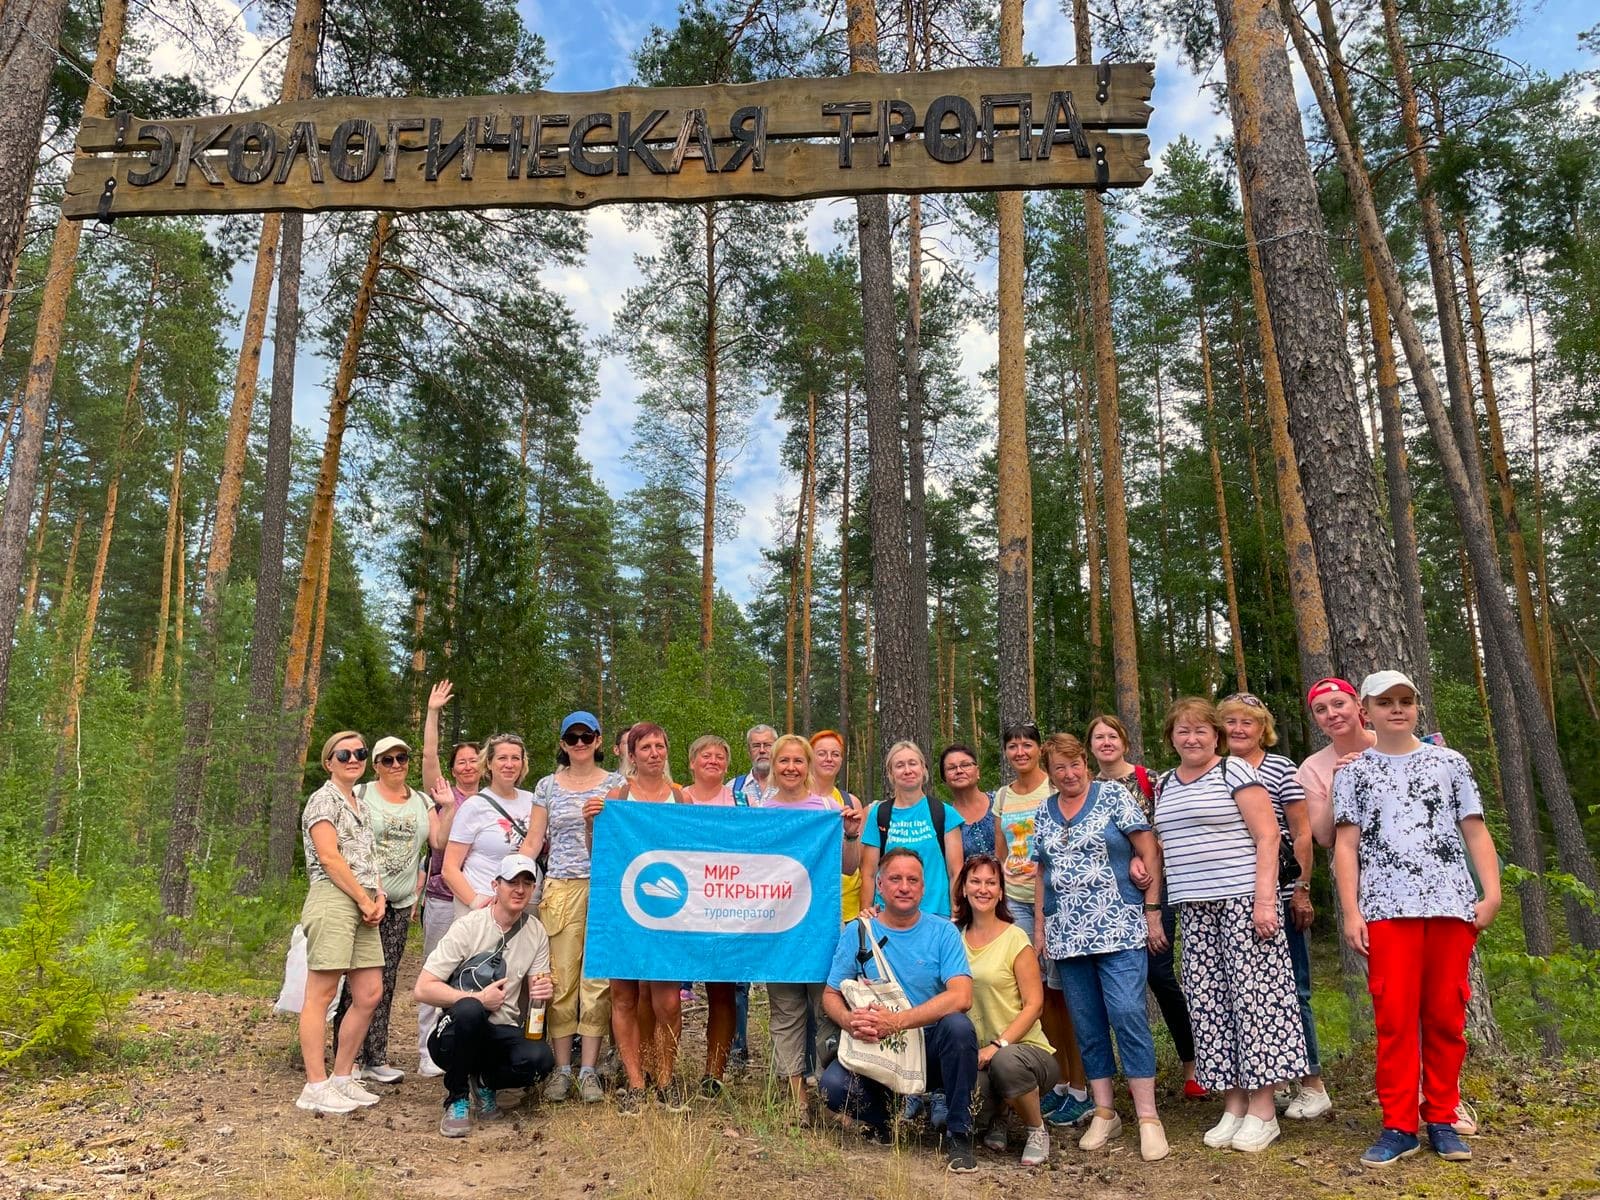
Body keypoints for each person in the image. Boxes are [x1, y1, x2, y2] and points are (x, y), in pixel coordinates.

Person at [1334, 671, 1501, 1168]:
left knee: (1446, 1016)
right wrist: (1351, 911)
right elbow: (1345, 843)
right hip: (1386, 909)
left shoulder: (1449, 762)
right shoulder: (1355, 772)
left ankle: (1443, 1119)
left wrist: (1490, 893)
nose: (1397, 709)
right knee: (1395, 1018)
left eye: (1406, 701)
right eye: (1386, 702)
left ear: (1417, 706)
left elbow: (1474, 830)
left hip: (1451, 906)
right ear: (1367, 710)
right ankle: (1399, 1124)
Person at [1152, 697, 1308, 1153]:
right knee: (1210, 1005)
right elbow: (1163, 846)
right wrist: (1154, 899)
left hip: (1244, 901)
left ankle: (1264, 1111)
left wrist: (1265, 900)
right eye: (1183, 731)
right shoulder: (1165, 784)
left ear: (1215, 736)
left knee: (1257, 1003)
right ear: (1172, 738)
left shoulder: (1234, 771)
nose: (1192, 738)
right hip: (1194, 906)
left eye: (1201, 730)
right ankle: (1234, 1105)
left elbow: (1268, 834)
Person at [1032, 733, 1169, 1161]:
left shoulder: (1113, 796)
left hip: (1119, 925)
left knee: (1127, 1012)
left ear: (1086, 766)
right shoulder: (1044, 811)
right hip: (1066, 933)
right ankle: (1105, 1111)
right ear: (1050, 774)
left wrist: (1151, 910)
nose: (1069, 774)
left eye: (1075, 765)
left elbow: (1148, 849)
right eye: (1060, 768)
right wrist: (1040, 926)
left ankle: (1148, 1117)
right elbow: (1042, 872)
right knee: (1087, 1023)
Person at [820, 848, 980, 1173]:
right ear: (880, 885)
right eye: (895, 879)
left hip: (929, 1047)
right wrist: (849, 1021)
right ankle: (888, 1121)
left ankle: (959, 1133)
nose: (903, 887)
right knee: (832, 1086)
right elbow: (830, 994)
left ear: (923, 888)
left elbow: (962, 996)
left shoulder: (943, 932)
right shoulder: (859, 933)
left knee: (959, 1027)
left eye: (912, 880)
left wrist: (898, 1021)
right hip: (881, 1052)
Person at [1219, 692, 1329, 1120]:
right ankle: (1275, 1080)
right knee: (1251, 995)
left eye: (1248, 722)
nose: (1239, 729)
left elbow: (1301, 833)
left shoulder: (1279, 768)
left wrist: (1301, 888)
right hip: (1234, 896)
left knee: (1293, 989)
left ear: (1263, 727)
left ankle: (1313, 1082)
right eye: (1230, 721)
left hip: (1278, 895)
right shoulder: (1218, 770)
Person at [1086, 714, 1199, 1099]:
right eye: (1098, 737)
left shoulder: (1152, 780)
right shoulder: (1087, 787)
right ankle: (1121, 1074)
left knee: (1159, 973)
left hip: (1155, 887)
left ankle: (1192, 1064)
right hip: (1107, 899)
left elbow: (1169, 829)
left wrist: (1145, 856)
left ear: (1125, 742)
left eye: (1111, 736)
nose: (1105, 743)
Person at [517, 711, 620, 1105]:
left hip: (605, 888)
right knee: (559, 979)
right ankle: (561, 1069)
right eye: (572, 737)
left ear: (598, 740)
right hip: (560, 887)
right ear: (562, 744)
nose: (579, 743)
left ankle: (590, 1069)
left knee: (597, 982)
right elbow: (534, 840)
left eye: (587, 736)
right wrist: (514, 877)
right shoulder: (547, 786)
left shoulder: (616, 784)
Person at [414, 854, 556, 1137]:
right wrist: (478, 999)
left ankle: (484, 1082)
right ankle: (457, 1098)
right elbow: (422, 988)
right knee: (469, 1010)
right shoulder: (469, 926)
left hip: (500, 1031)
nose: (519, 890)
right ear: (496, 885)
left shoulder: (535, 930)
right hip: (454, 1033)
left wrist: (544, 990)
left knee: (541, 1060)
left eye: (527, 883)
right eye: (512, 882)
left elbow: (537, 989)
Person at [585, 722, 687, 1112]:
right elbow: (600, 855)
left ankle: (666, 1079)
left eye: (660, 746)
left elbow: (696, 853)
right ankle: (635, 1082)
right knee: (624, 997)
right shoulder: (617, 796)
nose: (654, 753)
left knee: (668, 1002)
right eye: (645, 747)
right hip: (623, 910)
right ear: (631, 753)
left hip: (669, 911)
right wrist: (590, 822)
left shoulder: (680, 797)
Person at [763, 733, 865, 1119]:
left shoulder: (826, 807)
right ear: (774, 765)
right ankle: (797, 1099)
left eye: (798, 761)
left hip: (821, 927)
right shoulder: (762, 811)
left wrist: (851, 834)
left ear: (808, 766)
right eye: (784, 761)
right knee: (786, 1012)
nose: (791, 768)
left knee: (827, 1009)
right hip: (777, 930)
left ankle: (831, 1089)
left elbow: (849, 866)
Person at [294, 731, 385, 1115]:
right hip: (335, 898)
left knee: (369, 992)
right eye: (343, 753)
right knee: (322, 993)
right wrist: (363, 898)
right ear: (328, 762)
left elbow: (367, 857)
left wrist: (378, 897)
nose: (353, 758)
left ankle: (342, 1077)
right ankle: (315, 1085)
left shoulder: (360, 805)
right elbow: (330, 858)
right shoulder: (322, 800)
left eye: (360, 752)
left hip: (365, 902)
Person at [332, 733, 429, 1085]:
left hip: (399, 904)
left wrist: (446, 807)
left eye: (401, 758)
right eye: (387, 760)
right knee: (354, 983)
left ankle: (376, 1055)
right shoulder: (361, 794)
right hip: (363, 901)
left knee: (384, 983)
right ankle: (348, 1060)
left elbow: (437, 844)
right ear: (375, 765)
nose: (395, 765)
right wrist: (365, 894)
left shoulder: (420, 800)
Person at [954, 854, 1056, 1166]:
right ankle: (998, 1116)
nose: (982, 889)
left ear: (1000, 892)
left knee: (1006, 1063)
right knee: (966, 1080)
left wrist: (999, 1044)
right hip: (978, 1053)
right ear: (963, 889)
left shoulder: (1015, 938)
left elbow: (1035, 1005)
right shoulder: (952, 936)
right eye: (975, 881)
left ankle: (1037, 1129)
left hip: (1024, 1052)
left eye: (990, 883)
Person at [417, 680, 480, 1077]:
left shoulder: (497, 799)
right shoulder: (442, 794)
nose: (468, 765)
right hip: (443, 898)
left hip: (483, 904)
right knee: (435, 970)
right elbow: (427, 757)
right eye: (462, 761)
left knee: (478, 974)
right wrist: (433, 712)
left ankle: (469, 1045)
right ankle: (427, 1049)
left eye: (475, 760)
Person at [679, 733, 741, 1094]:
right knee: (668, 990)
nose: (713, 760)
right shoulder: (676, 798)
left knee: (722, 992)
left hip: (725, 905)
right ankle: (663, 1069)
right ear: (691, 762)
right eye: (706, 755)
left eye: (720, 756)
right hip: (682, 906)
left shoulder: (741, 802)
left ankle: (714, 1074)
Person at [858, 740, 964, 918]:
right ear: (891, 774)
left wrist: (957, 913)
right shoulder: (879, 814)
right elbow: (869, 873)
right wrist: (865, 912)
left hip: (935, 915)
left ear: (923, 769)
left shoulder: (944, 813)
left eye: (913, 763)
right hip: (888, 917)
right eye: (899, 765)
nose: (907, 770)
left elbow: (956, 872)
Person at [442, 733, 535, 916]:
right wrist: (477, 903)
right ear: (489, 763)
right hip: (483, 901)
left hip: (523, 902)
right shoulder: (474, 806)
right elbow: (449, 868)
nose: (509, 764)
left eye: (515, 758)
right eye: (502, 758)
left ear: (523, 764)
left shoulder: (533, 801)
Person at [810, 729, 867, 922]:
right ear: (810, 758)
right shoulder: (797, 800)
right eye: (822, 753)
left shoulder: (851, 802)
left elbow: (855, 864)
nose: (829, 759)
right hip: (809, 901)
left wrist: (850, 835)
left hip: (846, 905)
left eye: (835, 754)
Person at [939, 742, 994, 859]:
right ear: (944, 778)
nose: (959, 771)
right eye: (951, 768)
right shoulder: (944, 818)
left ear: (977, 771)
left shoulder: (1000, 802)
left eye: (965, 765)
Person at [731, 723, 779, 807]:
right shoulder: (733, 787)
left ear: (777, 749)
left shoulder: (789, 786)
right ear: (749, 752)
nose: (762, 750)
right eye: (756, 746)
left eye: (767, 745)